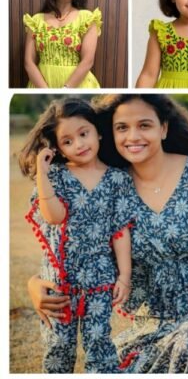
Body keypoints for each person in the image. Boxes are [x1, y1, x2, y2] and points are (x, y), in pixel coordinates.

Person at [28, 95, 188, 373]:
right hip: (155, 319)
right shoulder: (111, 185)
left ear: (163, 128)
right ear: (109, 134)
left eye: (144, 125)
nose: (133, 136)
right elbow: (79, 245)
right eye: (122, 127)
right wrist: (36, 282)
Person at [18, 98, 133, 372]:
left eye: (84, 134)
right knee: (58, 347)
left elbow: (120, 231)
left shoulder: (117, 180)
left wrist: (124, 277)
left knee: (99, 346)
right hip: (60, 281)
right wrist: (43, 174)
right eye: (68, 141)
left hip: (100, 278)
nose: (79, 144)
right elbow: (54, 216)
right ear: (56, 147)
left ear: (98, 132)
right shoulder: (56, 176)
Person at [23, 0, 101, 88]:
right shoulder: (36, 21)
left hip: (77, 85)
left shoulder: (87, 18)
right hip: (41, 85)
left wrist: (66, 89)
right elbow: (29, 62)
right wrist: (45, 92)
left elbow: (88, 60)